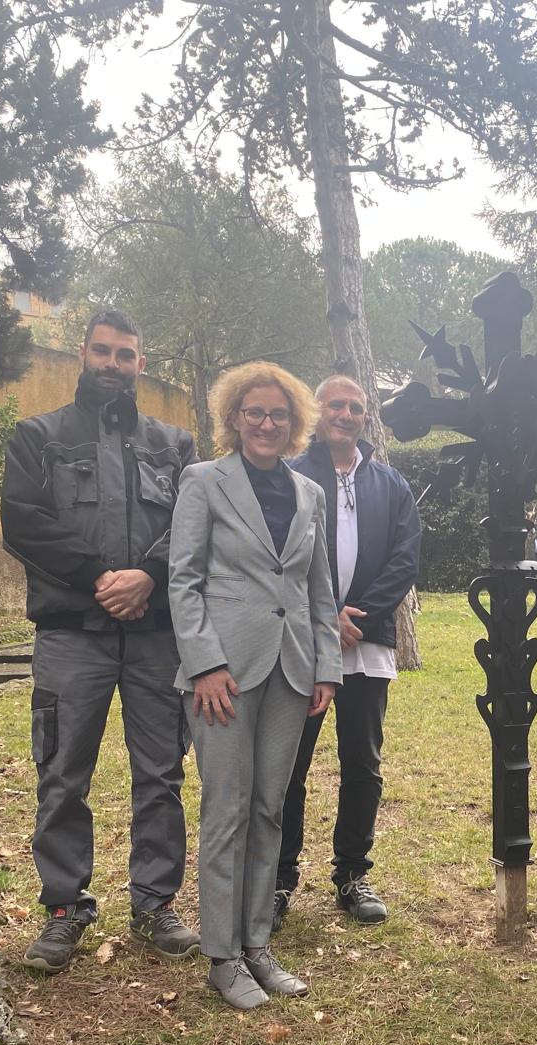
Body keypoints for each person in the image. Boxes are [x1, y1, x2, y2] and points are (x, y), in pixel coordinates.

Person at [1, 310, 200, 973]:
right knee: (61, 774)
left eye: (126, 353)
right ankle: (65, 908)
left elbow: (195, 523)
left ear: (142, 362)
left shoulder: (175, 445)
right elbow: (23, 522)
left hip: (156, 637)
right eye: (103, 351)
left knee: (162, 775)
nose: (113, 363)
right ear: (83, 353)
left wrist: (150, 576)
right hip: (71, 636)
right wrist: (98, 577)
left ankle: (155, 902)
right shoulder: (37, 437)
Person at [169, 362, 340, 1009]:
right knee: (228, 809)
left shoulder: (309, 493)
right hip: (223, 676)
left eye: (278, 414)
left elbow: (319, 588)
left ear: (294, 423)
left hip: (292, 671)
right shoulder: (203, 481)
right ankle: (222, 955)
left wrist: (327, 667)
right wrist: (205, 663)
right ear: (234, 418)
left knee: (271, 807)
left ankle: (257, 944)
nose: (267, 423)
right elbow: (183, 580)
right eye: (255, 412)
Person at [276, 375, 422, 929]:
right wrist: (322, 617)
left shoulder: (390, 483)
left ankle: (353, 873)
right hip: (301, 641)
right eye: (335, 405)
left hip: (366, 639)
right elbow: (276, 557)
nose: (346, 414)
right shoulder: (289, 475)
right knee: (289, 763)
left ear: (367, 417)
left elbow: (405, 557)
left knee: (363, 762)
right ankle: (278, 878)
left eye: (356, 407)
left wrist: (356, 615)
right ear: (316, 412)